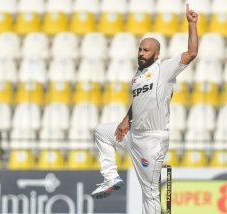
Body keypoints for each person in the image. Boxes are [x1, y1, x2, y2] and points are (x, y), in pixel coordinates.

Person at [91, 4, 198, 213]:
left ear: (156, 54)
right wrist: (126, 119)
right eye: (140, 49)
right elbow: (140, 102)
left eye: (146, 50)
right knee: (101, 132)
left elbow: (192, 52)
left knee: (149, 194)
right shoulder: (138, 76)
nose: (141, 53)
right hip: (134, 134)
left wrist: (192, 24)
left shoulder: (164, 69)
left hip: (152, 140)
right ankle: (111, 177)